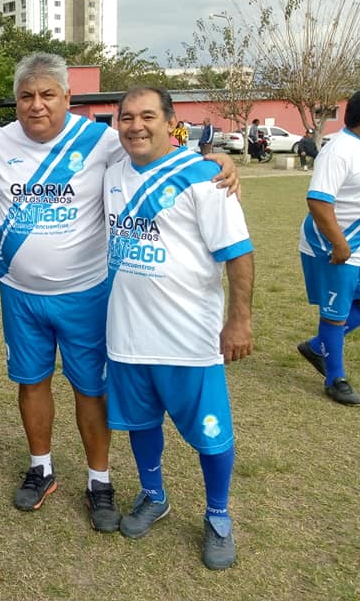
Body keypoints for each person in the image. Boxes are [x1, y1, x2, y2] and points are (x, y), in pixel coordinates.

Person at [0, 52, 238, 531]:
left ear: (67, 97)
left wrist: (216, 160)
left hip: (86, 292)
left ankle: (99, 481)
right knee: (31, 382)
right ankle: (41, 468)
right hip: (19, 292)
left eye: (48, 94)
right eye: (26, 96)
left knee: (90, 388)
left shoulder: (102, 140)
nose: (36, 104)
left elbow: (155, 152)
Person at [104, 85, 254, 571]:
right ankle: (154, 495)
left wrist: (239, 320)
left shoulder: (204, 177)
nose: (135, 126)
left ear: (172, 123)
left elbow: (238, 252)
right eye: (127, 117)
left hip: (190, 340)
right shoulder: (112, 171)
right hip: (127, 336)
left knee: (211, 434)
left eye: (147, 116)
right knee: (140, 423)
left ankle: (218, 515)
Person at [297, 88, 360, 406]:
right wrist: (339, 244)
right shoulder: (339, 151)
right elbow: (318, 201)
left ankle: (318, 346)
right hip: (336, 247)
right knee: (335, 314)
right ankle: (335, 378)